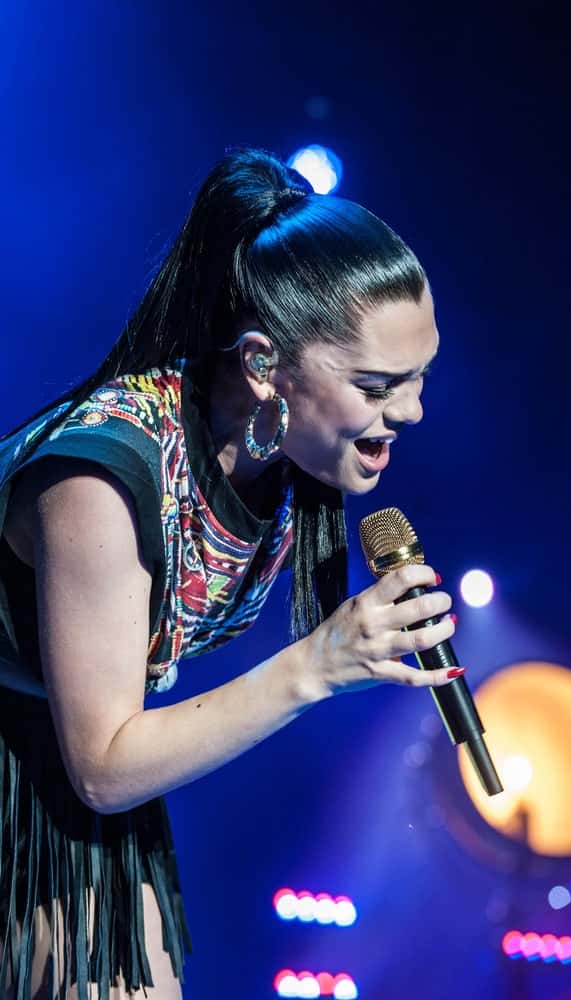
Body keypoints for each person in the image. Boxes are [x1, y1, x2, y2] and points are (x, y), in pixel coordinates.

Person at [0, 148, 461, 999]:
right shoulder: (103, 481)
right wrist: (317, 664)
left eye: (419, 377)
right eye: (376, 384)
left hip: (59, 778)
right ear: (261, 365)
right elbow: (104, 763)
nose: (411, 411)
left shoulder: (275, 458)